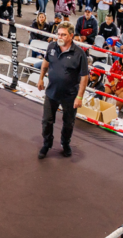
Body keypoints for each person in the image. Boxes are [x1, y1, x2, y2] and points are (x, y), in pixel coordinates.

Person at [37, 22, 90, 159]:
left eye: (63, 34)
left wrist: (79, 97)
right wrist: (41, 78)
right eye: (58, 34)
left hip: (70, 95)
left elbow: (84, 77)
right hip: (51, 92)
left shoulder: (79, 54)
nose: (59, 37)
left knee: (68, 122)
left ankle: (65, 143)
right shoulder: (52, 46)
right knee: (47, 121)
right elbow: (46, 62)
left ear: (71, 36)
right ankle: (47, 144)